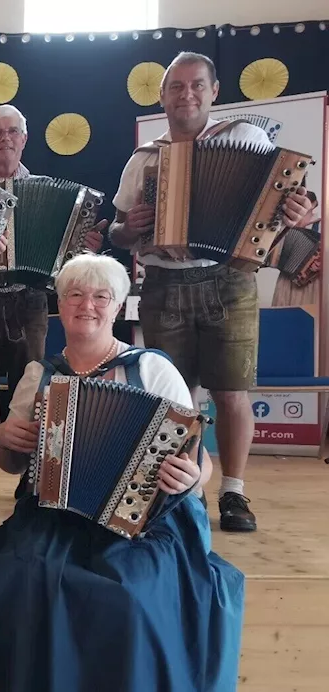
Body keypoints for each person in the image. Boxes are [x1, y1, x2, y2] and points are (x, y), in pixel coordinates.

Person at [0, 253, 244, 692]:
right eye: (75, 294)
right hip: (54, 515)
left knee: (132, 591)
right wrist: (4, 441)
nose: (87, 305)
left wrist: (194, 477)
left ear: (117, 307)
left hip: (145, 519)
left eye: (101, 296)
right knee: (35, 579)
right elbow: (12, 465)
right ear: (60, 304)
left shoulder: (152, 370)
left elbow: (198, 460)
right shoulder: (40, 376)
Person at [109, 51, 317, 532]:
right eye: (177, 87)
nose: (186, 95)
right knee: (175, 397)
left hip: (231, 279)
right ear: (161, 96)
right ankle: (184, 488)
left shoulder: (246, 138)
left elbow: (293, 196)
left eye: (196, 85)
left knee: (232, 391)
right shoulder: (143, 159)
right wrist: (130, 228)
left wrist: (299, 208)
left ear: (214, 91)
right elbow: (118, 232)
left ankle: (234, 492)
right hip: (162, 283)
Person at [0, 105, 106, 505]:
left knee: (35, 390)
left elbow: (70, 260)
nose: (5, 139)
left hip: (30, 301)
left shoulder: (52, 192)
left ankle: (36, 474)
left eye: (13, 132)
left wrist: (85, 247)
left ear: (25, 139)